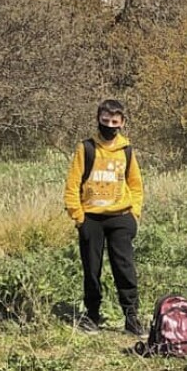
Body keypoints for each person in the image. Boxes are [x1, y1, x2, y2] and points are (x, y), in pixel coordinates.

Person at [64, 99, 145, 336]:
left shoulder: (127, 151)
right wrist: (78, 217)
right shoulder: (86, 148)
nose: (110, 126)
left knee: (125, 268)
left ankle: (131, 317)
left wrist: (134, 213)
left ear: (122, 123)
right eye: (105, 121)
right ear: (98, 119)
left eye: (115, 122)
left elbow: (136, 184)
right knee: (92, 269)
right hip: (91, 219)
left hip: (121, 217)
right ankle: (92, 315)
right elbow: (72, 184)